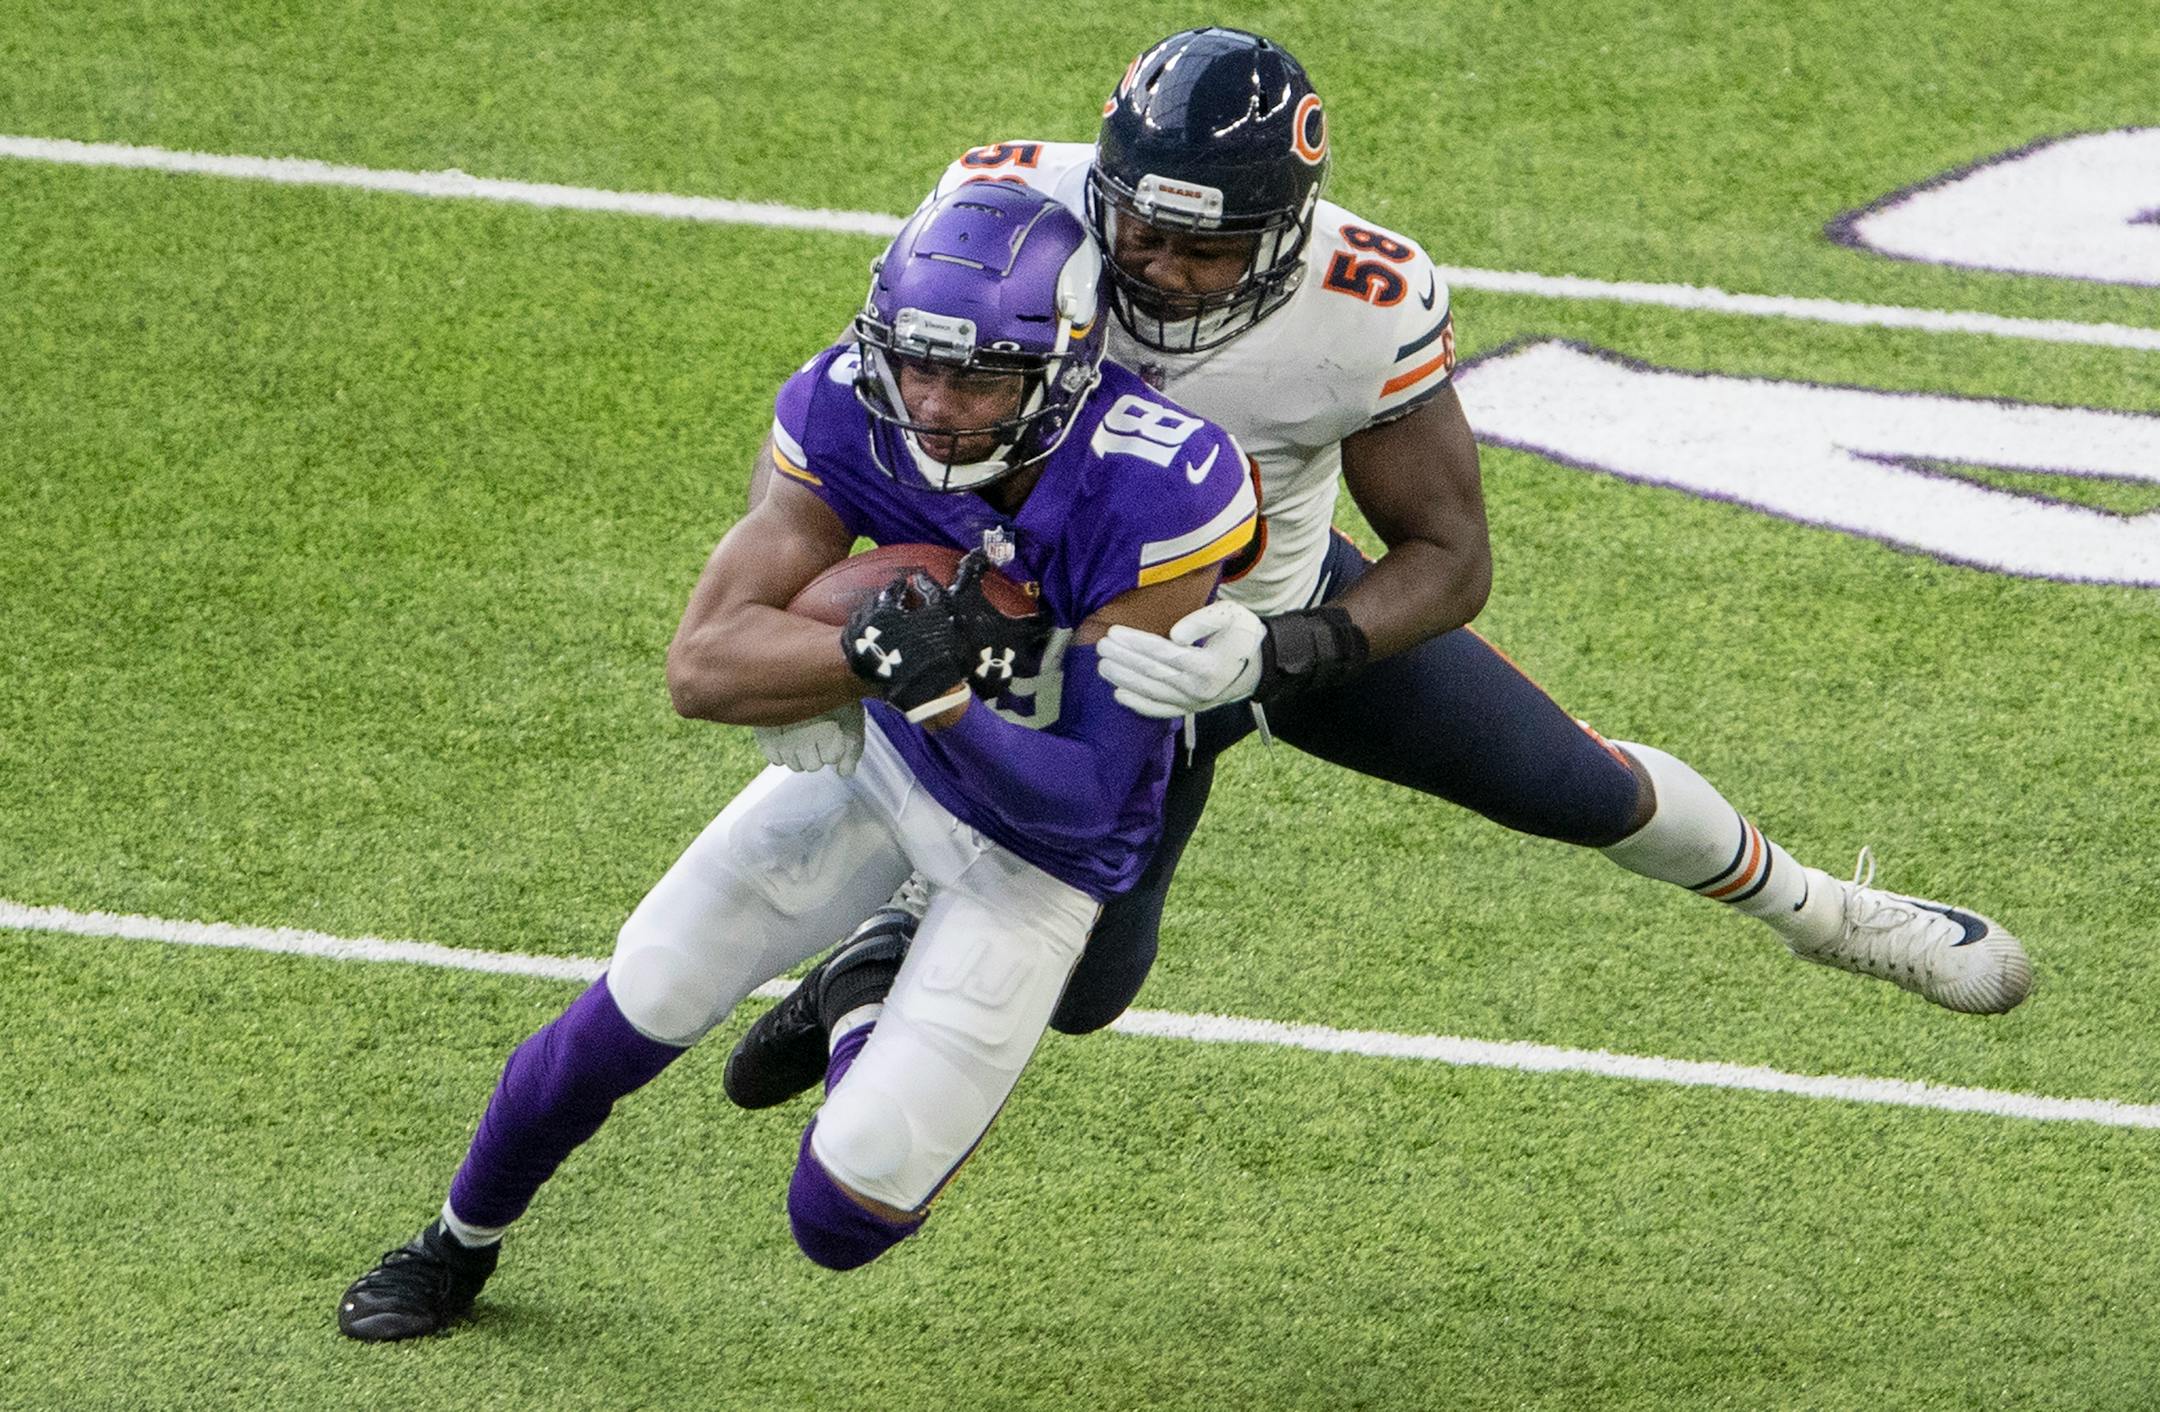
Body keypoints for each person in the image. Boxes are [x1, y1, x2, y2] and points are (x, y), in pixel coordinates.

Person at [726, 26, 2031, 1109]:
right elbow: (858, 423)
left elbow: (1450, 558)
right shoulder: (1004, 219)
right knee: (1082, 988)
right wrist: (846, 643)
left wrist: (1286, 649)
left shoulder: (1364, 302)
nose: (1160, 271)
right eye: (1138, 233)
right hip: (1068, 631)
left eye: (1206, 249)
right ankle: (883, 953)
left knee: (1576, 783)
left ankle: (1827, 913)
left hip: (1274, 610)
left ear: (1285, 234)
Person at [335, 180, 1259, 1340]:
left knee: (844, 1211)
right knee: (644, 991)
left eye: (978, 377)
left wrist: (940, 696)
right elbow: (702, 664)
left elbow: (1087, 802)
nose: (934, 404)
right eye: (916, 364)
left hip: (1038, 847)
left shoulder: (1156, 482)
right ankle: (454, 1240)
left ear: (1066, 367)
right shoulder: (848, 404)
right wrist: (858, 662)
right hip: (889, 765)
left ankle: (859, 990)